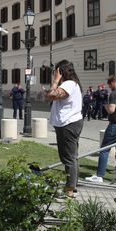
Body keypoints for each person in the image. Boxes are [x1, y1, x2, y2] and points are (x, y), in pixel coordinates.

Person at [46, 59, 84, 198]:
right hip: (70, 122)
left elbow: (51, 96)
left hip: (68, 124)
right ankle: (72, 186)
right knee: (73, 156)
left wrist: (55, 81)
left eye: (56, 71)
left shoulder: (68, 84)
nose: (54, 74)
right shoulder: (72, 84)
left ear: (61, 71)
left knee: (68, 158)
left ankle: (70, 189)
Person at [86, 75, 116, 183]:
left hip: (115, 125)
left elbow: (111, 110)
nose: (109, 87)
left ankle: (99, 176)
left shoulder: (115, 94)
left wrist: (105, 106)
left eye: (109, 85)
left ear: (113, 82)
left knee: (104, 149)